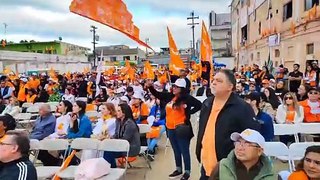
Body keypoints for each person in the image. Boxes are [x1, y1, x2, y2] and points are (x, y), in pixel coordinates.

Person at [196, 69, 261, 180]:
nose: (214, 83)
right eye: (213, 80)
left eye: (219, 81)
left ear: (230, 87)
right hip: (206, 166)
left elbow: (253, 137)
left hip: (229, 169)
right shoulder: (207, 103)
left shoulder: (242, 108)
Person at [147, 78, 202, 180]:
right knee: (176, 150)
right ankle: (178, 169)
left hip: (181, 128)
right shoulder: (170, 97)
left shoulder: (187, 98)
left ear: (182, 88)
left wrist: (188, 113)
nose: (174, 88)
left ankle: (187, 171)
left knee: (184, 150)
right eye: (174, 86)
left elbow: (199, 105)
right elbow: (158, 95)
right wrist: (150, 86)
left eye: (177, 87)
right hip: (170, 128)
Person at [209, 129, 275, 180]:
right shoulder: (222, 166)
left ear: (259, 151)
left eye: (247, 144)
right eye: (238, 142)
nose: (240, 148)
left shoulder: (270, 174)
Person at [103, 104, 140, 168]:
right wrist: (109, 138)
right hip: (121, 144)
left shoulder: (130, 124)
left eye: (118, 111)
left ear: (124, 113)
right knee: (107, 148)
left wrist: (112, 142)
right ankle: (111, 168)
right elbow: (116, 134)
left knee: (108, 151)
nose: (116, 112)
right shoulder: (118, 120)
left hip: (130, 147)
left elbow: (125, 139)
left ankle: (111, 169)